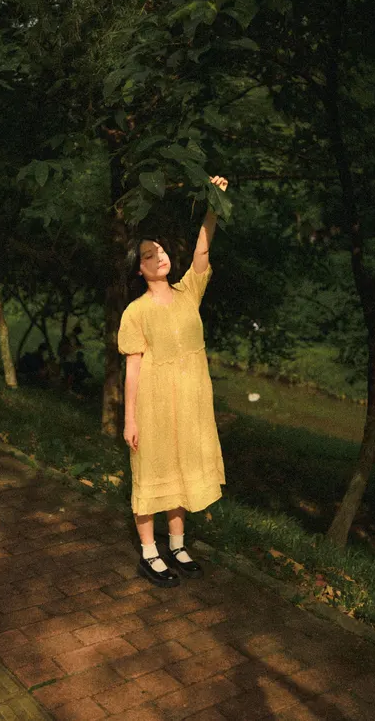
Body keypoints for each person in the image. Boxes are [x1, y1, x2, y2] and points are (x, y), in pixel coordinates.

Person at [118, 175, 229, 587]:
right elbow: (133, 368)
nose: (159, 256)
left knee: (180, 470)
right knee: (152, 472)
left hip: (191, 403)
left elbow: (202, 250)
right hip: (154, 404)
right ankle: (150, 552)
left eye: (161, 249)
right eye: (149, 255)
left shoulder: (188, 293)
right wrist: (130, 419)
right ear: (139, 268)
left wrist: (212, 206)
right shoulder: (136, 312)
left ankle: (178, 545)